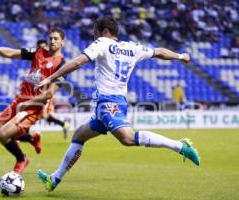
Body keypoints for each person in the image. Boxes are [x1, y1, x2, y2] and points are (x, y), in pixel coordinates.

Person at [36, 17, 200, 192]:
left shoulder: (102, 43)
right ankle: (54, 179)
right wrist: (181, 56)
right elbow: (159, 51)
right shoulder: (132, 47)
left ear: (105, 31)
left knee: (128, 138)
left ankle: (180, 146)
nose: (94, 36)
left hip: (108, 103)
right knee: (79, 135)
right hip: (112, 103)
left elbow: (78, 62)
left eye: (95, 32)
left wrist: (50, 78)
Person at [0, 28, 66, 174]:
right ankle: (31, 138)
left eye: (56, 38)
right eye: (50, 38)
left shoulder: (63, 66)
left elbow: (49, 94)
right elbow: (11, 53)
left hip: (34, 106)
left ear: (63, 42)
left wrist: (28, 104)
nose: (52, 41)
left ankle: (22, 159)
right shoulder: (38, 52)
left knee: (3, 135)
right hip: (20, 100)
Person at [37, 39, 70, 139]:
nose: (42, 49)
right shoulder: (38, 59)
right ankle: (64, 125)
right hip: (40, 91)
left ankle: (26, 134)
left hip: (47, 92)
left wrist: (52, 87)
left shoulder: (53, 60)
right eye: (40, 47)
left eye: (44, 47)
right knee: (43, 115)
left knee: (43, 114)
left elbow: (61, 74)